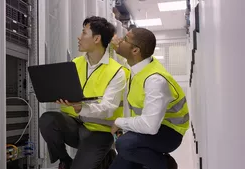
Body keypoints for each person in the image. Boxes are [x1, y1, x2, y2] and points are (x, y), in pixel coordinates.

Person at [38, 16, 128, 169]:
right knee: (48, 120)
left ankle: (106, 157)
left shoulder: (116, 72)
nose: (79, 37)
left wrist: (81, 107)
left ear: (97, 38)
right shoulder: (74, 63)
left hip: (99, 131)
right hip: (74, 124)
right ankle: (65, 160)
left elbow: (108, 108)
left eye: (84, 33)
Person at [108, 28, 189, 169]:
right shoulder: (140, 64)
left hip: (169, 133)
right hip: (151, 127)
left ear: (135, 51)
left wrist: (119, 122)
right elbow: (126, 54)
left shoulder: (155, 81)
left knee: (125, 144)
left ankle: (164, 165)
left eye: (125, 39)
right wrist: (115, 44)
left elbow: (150, 126)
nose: (120, 40)